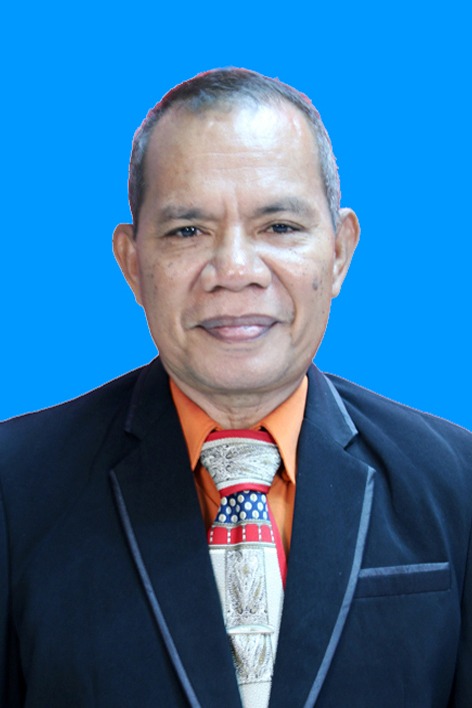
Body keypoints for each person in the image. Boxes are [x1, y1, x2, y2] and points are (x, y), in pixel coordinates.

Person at [0, 68, 471, 708]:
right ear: (133, 262)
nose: (235, 270)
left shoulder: (455, 484)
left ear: (339, 252)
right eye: (187, 231)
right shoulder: (16, 487)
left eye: (279, 227)